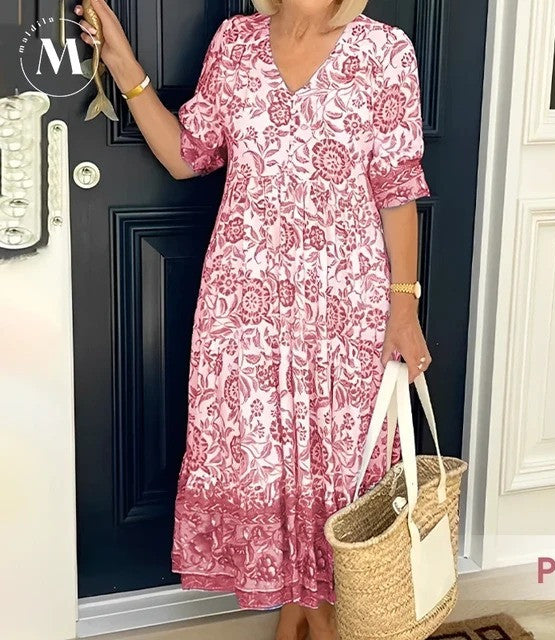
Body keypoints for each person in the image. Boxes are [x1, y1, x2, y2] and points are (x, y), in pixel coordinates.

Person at [74, 0, 432, 638]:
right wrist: (124, 63)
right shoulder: (236, 42)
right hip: (246, 305)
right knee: (259, 455)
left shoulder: (385, 51)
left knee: (341, 462)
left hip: (345, 303)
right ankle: (299, 607)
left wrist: (404, 308)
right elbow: (187, 155)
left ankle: (323, 613)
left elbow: (398, 189)